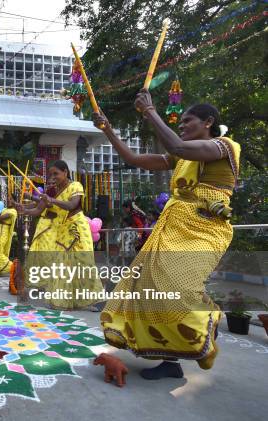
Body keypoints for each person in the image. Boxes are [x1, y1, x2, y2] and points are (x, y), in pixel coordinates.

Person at [93, 92, 240, 380]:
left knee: (180, 288)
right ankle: (170, 361)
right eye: (181, 122)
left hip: (205, 229)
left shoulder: (223, 146)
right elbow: (135, 158)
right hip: (172, 227)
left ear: (208, 122)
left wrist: (149, 111)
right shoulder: (181, 155)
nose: (183, 125)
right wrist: (107, 129)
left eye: (188, 121)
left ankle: (208, 325)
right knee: (154, 289)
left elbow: (179, 146)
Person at [17, 161, 102, 309]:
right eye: (51, 174)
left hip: (77, 229)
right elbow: (38, 210)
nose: (53, 176)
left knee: (83, 263)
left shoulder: (75, 186)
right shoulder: (53, 190)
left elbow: (72, 205)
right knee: (62, 263)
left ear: (65, 172)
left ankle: (88, 301)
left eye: (56, 173)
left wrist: (51, 200)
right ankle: (62, 300)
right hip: (62, 229)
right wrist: (23, 210)